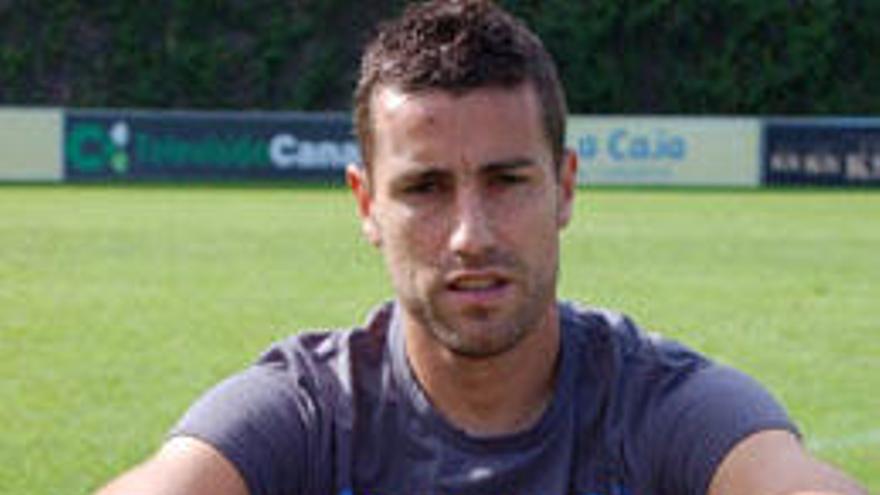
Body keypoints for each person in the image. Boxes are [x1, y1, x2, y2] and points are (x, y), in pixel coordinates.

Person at [96, 1, 868, 494]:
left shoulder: (661, 408)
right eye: (425, 188)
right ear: (367, 204)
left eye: (506, 180)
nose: (472, 234)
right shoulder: (308, 416)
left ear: (564, 188)